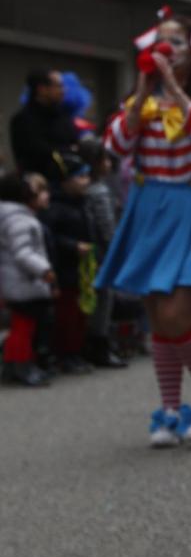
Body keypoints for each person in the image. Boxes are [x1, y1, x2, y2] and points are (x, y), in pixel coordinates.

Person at [95, 9, 191, 447]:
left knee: (176, 313)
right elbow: (115, 146)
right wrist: (145, 91)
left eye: (177, 42)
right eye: (161, 41)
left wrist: (174, 91)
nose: (166, 49)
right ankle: (170, 409)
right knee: (155, 315)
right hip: (151, 207)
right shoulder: (142, 97)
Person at [0, 173, 57, 387]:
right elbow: (23, 253)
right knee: (23, 328)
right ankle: (21, 366)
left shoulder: (15, 217)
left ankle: (14, 365)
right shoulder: (19, 220)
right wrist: (44, 270)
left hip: (19, 282)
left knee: (24, 326)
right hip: (23, 282)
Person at [43, 151, 96, 375]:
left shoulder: (82, 203)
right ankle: (65, 354)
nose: (86, 181)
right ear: (65, 181)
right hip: (64, 268)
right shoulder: (55, 208)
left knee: (80, 313)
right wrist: (73, 245)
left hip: (81, 267)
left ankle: (76, 351)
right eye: (80, 177)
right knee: (66, 315)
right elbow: (51, 237)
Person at [77, 138, 127, 368]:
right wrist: (117, 250)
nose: (108, 163)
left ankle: (94, 343)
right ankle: (100, 344)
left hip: (90, 252)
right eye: (104, 159)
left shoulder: (85, 189)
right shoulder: (99, 191)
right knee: (103, 300)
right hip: (102, 254)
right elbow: (107, 228)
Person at [10, 69, 79, 180]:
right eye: (59, 86)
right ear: (42, 89)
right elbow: (37, 152)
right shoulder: (23, 119)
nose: (64, 90)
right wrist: (69, 150)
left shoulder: (63, 116)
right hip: (40, 185)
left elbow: (74, 143)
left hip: (70, 182)